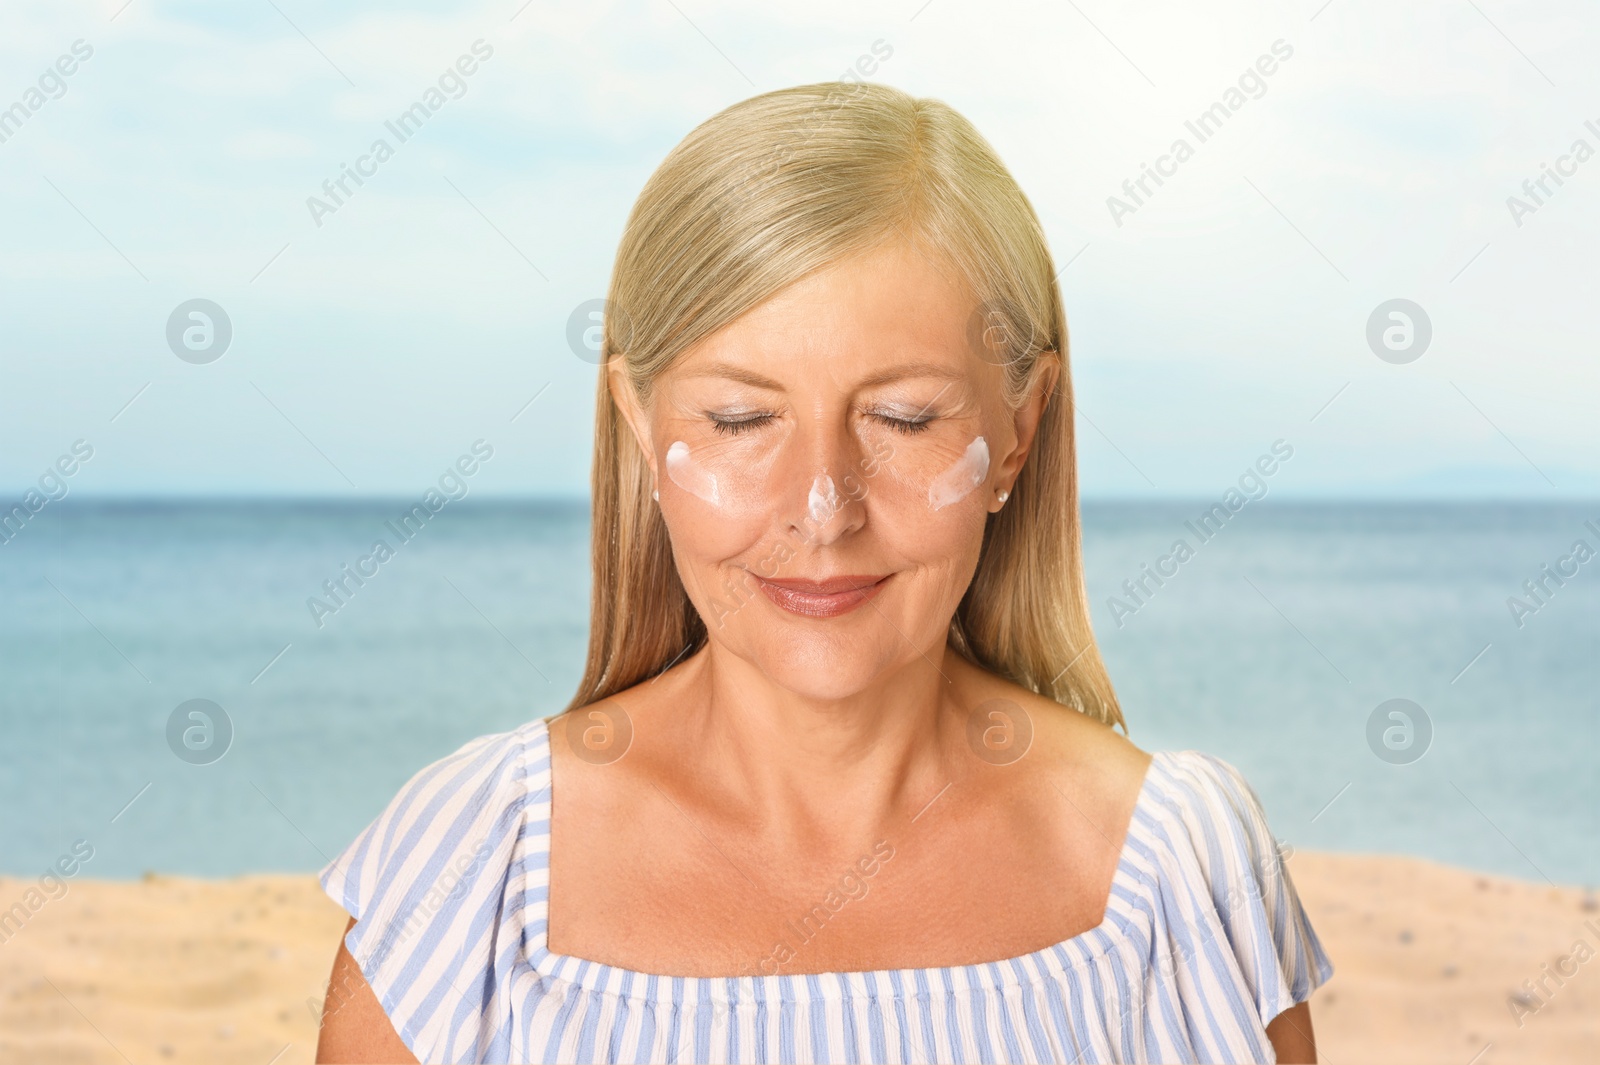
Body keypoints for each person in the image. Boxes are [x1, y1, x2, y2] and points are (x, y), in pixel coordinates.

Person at [315, 81, 1331, 1064]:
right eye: (740, 421)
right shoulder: (471, 877)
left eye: (901, 419)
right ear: (638, 424)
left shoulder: (1180, 876)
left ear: (1018, 430)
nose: (823, 509)